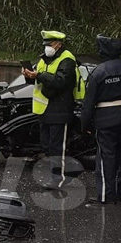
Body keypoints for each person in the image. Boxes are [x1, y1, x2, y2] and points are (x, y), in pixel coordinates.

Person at [81, 35, 121, 204]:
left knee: (107, 157)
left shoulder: (99, 72)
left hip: (106, 119)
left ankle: (107, 196)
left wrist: (85, 126)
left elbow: (88, 103)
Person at [22, 30, 83, 189]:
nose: (47, 47)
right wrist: (29, 76)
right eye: (45, 44)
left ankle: (58, 179)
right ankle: (54, 175)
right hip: (44, 111)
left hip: (60, 109)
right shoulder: (44, 59)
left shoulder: (67, 59)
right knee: (47, 146)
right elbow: (37, 81)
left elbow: (61, 82)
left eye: (50, 44)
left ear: (58, 44)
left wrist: (38, 76)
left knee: (57, 147)